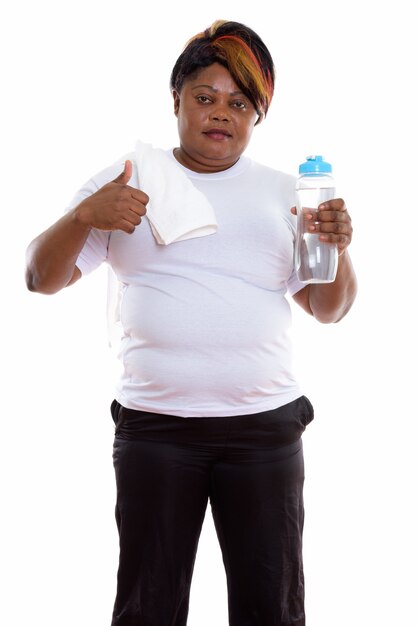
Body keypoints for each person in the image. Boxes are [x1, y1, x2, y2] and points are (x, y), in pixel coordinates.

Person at [25, 19, 357, 626]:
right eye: (205, 97)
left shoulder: (288, 194)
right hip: (156, 430)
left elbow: (329, 309)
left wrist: (337, 248)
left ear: (257, 116)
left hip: (264, 430)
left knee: (272, 608)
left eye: (239, 103)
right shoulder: (125, 181)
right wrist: (82, 216)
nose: (220, 114)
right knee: (147, 606)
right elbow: (39, 278)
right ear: (175, 99)